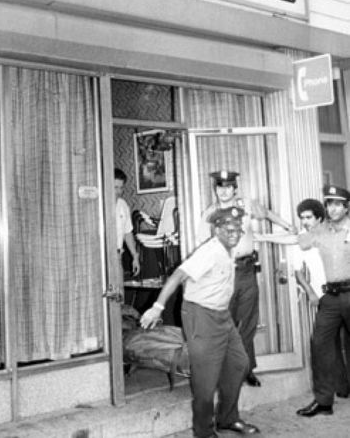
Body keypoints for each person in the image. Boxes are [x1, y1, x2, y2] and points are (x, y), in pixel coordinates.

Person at [140, 205, 260, 437]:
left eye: (237, 229)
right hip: (201, 316)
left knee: (239, 363)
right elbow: (178, 275)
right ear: (216, 230)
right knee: (206, 378)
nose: (234, 233)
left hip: (222, 315)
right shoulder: (210, 251)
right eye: (228, 229)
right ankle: (203, 431)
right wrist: (157, 307)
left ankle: (227, 419)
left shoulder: (229, 248)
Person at [198, 170, 294, 387]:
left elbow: (268, 214)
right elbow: (202, 243)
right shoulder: (210, 213)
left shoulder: (247, 206)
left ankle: (246, 369)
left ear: (235, 189)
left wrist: (288, 226)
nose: (223, 191)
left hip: (247, 271)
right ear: (215, 189)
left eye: (227, 187)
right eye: (219, 187)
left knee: (248, 322)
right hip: (223, 274)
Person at [296, 184, 350, 418]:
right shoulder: (321, 230)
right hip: (329, 297)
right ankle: (324, 401)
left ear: (346, 207)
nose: (333, 208)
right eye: (329, 204)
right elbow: (299, 241)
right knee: (319, 345)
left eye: (338, 204)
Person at [114, 168, 140, 280]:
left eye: (121, 188)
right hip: (100, 258)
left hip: (118, 256)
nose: (119, 192)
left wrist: (135, 256)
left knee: (118, 293)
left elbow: (127, 232)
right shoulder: (99, 205)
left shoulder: (123, 205)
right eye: (115, 187)